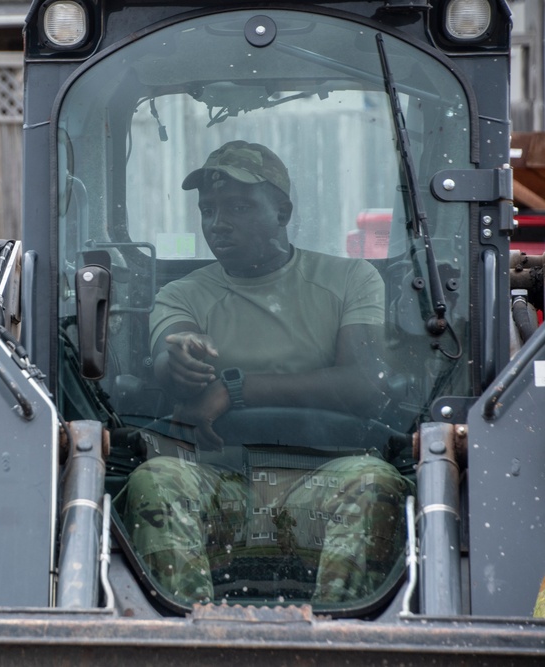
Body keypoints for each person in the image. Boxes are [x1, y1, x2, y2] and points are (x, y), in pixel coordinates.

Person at [117, 140, 412, 606]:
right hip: (218, 483)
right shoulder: (182, 295)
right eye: (208, 209)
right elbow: (170, 351)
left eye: (237, 206)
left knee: (374, 481)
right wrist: (179, 359)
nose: (217, 223)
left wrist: (237, 388)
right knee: (154, 480)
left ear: (282, 211)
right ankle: (185, 648)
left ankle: (341, 647)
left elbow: (362, 383)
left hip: (326, 477)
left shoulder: (349, 279)